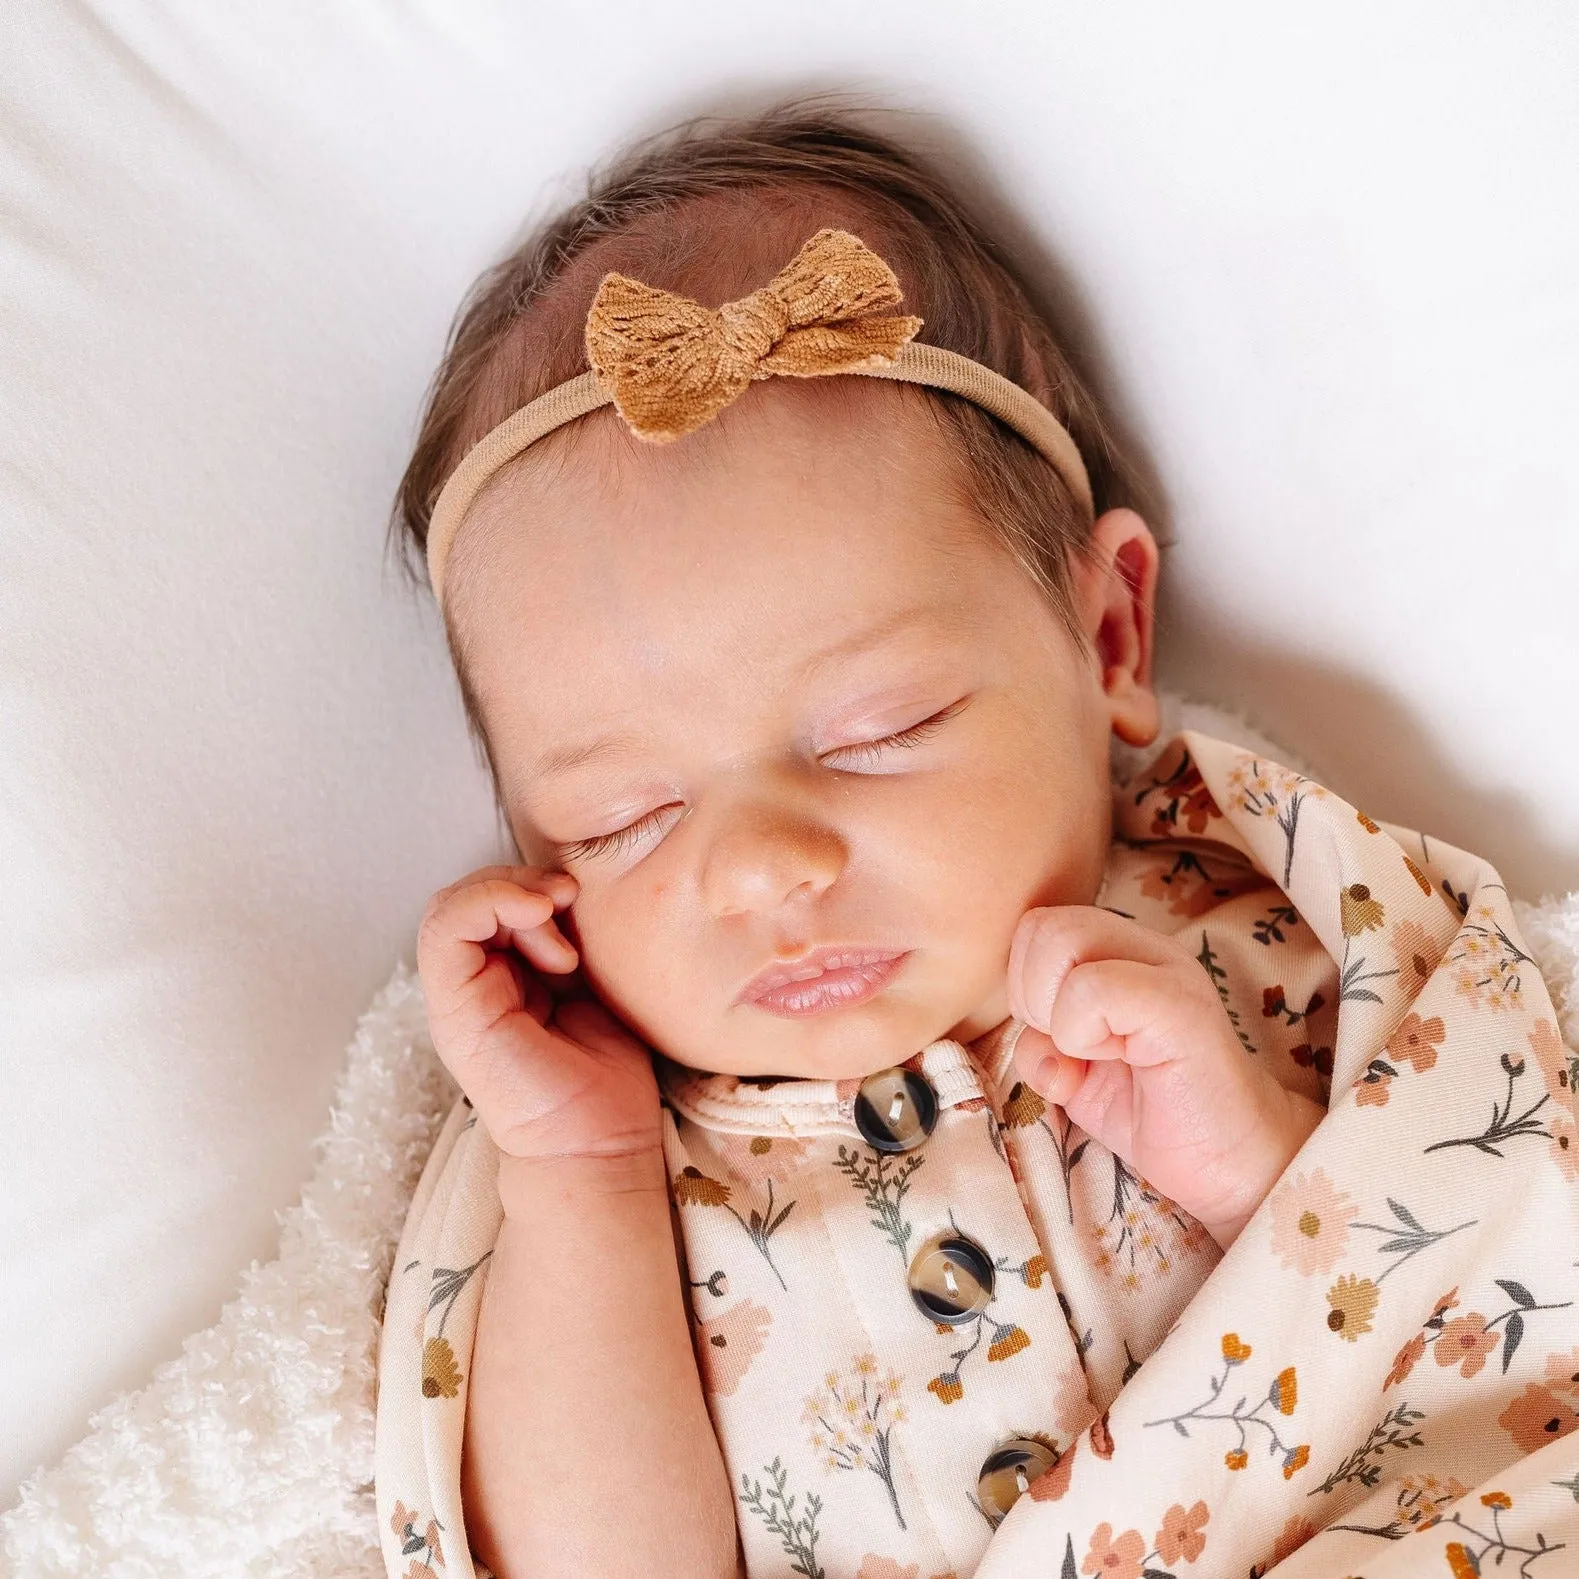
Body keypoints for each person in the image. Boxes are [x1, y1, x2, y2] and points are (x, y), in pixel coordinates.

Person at [374, 100, 1579, 1579]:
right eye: (624, 817)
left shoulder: (1269, 924)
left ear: (1108, 630)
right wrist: (579, 1167)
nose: (758, 864)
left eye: (874, 729)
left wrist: (1254, 1184)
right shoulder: (602, 1165)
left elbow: (1495, 1307)